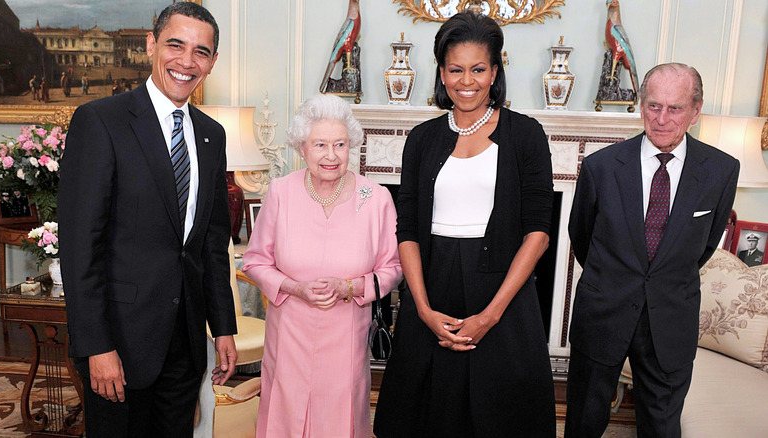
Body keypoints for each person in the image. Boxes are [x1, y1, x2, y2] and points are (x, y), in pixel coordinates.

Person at [374, 11, 556, 437]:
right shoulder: (421, 139)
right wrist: (420, 309)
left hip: (503, 295)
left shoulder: (526, 134)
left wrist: (489, 316)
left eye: (478, 69)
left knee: (501, 417)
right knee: (425, 415)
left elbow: (539, 232)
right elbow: (408, 230)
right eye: (456, 69)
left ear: (495, 71)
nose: (466, 81)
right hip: (432, 290)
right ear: (441, 72)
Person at [58, 3, 237, 437]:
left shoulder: (212, 135)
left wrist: (224, 327)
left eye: (201, 52)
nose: (186, 61)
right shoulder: (101, 121)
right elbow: (81, 247)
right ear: (150, 45)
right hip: (120, 340)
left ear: (212, 63)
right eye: (176, 45)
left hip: (186, 340)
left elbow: (211, 244)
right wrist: (97, 345)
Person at [566, 63, 739, 438]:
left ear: (695, 111)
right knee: (583, 423)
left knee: (662, 428)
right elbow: (580, 234)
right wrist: (613, 279)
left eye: (674, 108)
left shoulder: (721, 170)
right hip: (603, 313)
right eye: (653, 106)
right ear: (641, 105)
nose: (661, 119)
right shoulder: (601, 167)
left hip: (670, 319)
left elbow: (705, 245)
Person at [243, 94, 402, 438]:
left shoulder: (375, 199)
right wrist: (294, 288)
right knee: (284, 420)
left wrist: (350, 287)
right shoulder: (281, 192)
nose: (331, 155)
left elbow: (393, 268)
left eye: (340, 144)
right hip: (289, 336)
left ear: (352, 147)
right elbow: (255, 260)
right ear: (302, 148)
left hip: (346, 335)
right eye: (320, 145)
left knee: (340, 420)